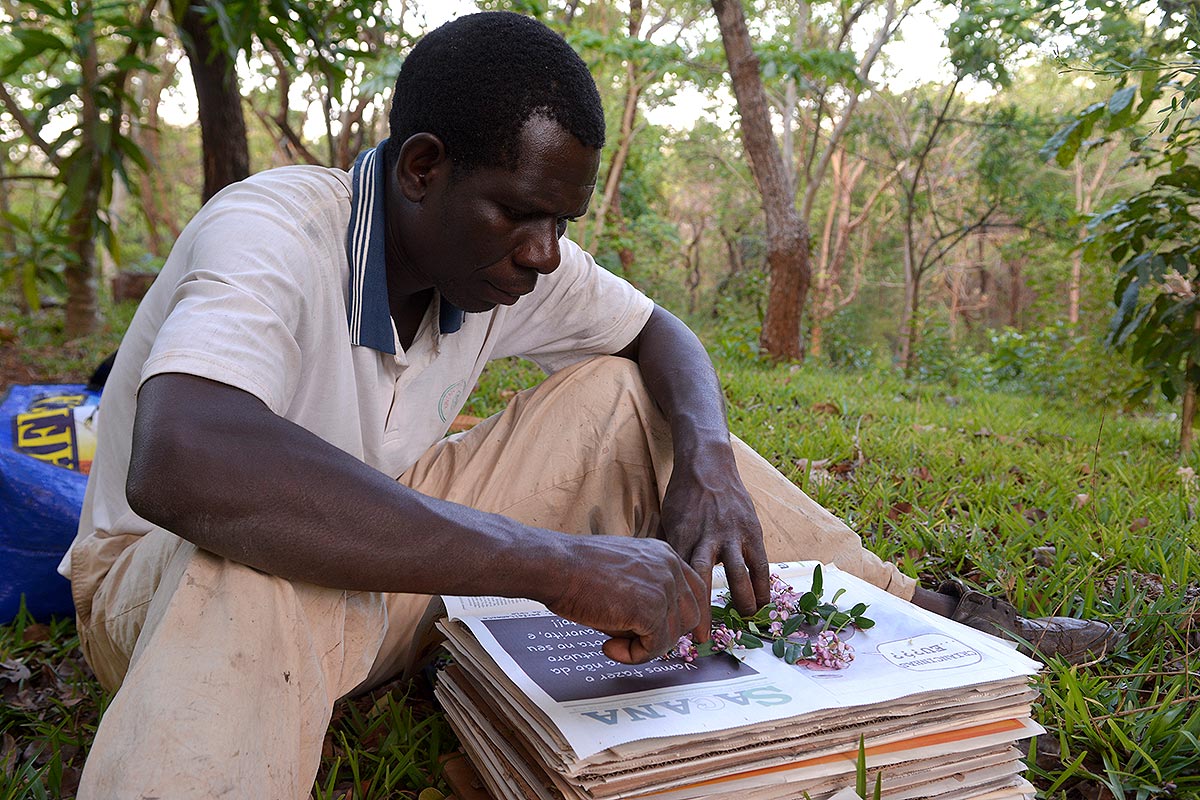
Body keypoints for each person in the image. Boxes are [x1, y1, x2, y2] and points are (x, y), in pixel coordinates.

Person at [63, 11, 1116, 798]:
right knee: (249, 545)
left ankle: (926, 616)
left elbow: (663, 334)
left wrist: (704, 456)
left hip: (380, 559)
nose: (543, 254)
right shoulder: (274, 231)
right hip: (164, 596)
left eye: (560, 222)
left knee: (625, 396)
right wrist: (555, 563)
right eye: (522, 214)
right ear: (421, 169)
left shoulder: (506, 263)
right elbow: (186, 460)